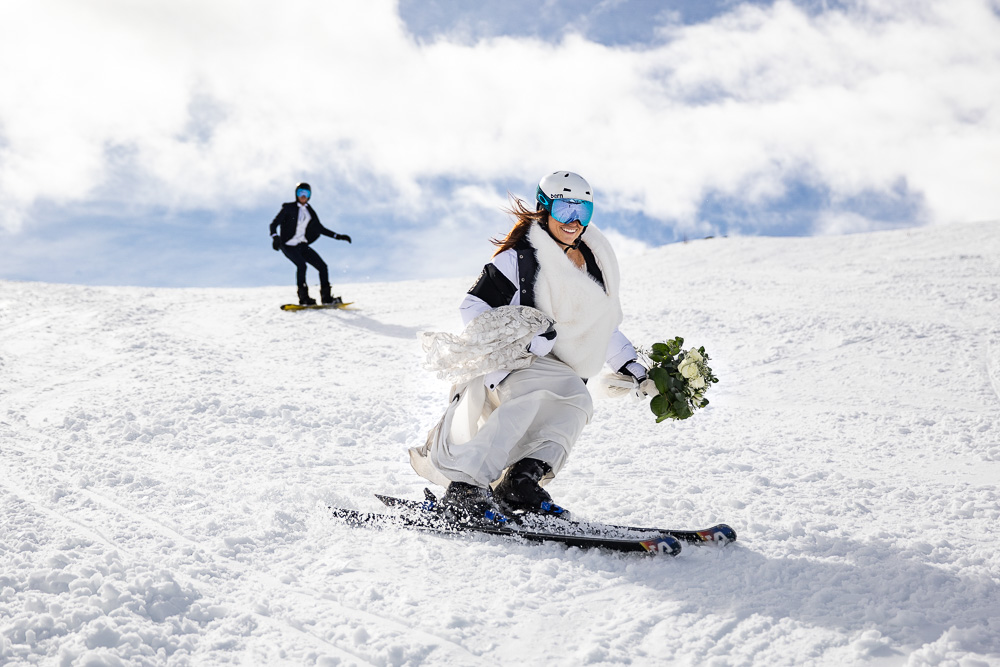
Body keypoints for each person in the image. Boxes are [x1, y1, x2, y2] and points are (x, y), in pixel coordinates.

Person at [410, 171, 649, 523]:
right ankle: (465, 488)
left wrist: (631, 363)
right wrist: (521, 337)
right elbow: (473, 307)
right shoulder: (520, 259)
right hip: (512, 359)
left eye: (583, 212)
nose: (574, 221)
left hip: (559, 370)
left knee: (578, 402)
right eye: (566, 209)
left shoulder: (594, 262)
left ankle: (521, 482)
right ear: (544, 208)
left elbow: (600, 324)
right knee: (537, 394)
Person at [269, 182, 352, 305]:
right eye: (300, 193)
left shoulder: (310, 211)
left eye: (306, 193)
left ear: (309, 196)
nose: (303, 196)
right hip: (288, 245)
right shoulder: (288, 208)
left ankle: (326, 298)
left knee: (323, 267)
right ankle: (304, 298)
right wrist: (275, 237)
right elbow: (273, 224)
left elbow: (320, 228)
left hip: (302, 245)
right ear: (296, 194)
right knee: (301, 265)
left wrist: (338, 236)